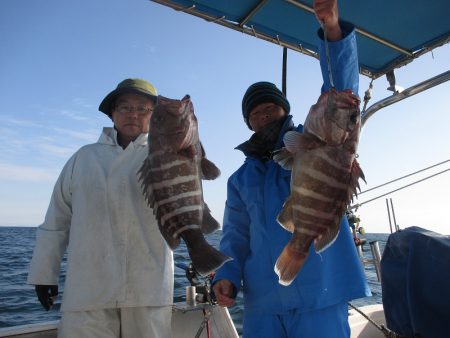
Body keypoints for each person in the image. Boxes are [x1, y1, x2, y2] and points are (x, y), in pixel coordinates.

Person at [212, 0, 371, 337]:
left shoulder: (313, 140)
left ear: (286, 111)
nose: (264, 115)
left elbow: (341, 89)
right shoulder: (241, 179)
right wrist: (226, 276)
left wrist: (332, 30)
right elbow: (235, 234)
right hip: (263, 302)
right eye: (255, 113)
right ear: (248, 124)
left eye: (271, 107)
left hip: (321, 293)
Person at [27, 78, 174, 338]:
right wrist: (44, 273)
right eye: (125, 107)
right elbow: (56, 220)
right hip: (88, 289)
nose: (133, 114)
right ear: (112, 113)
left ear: (155, 116)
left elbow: (188, 210)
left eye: (142, 109)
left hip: (148, 287)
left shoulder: (169, 157)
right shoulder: (83, 158)